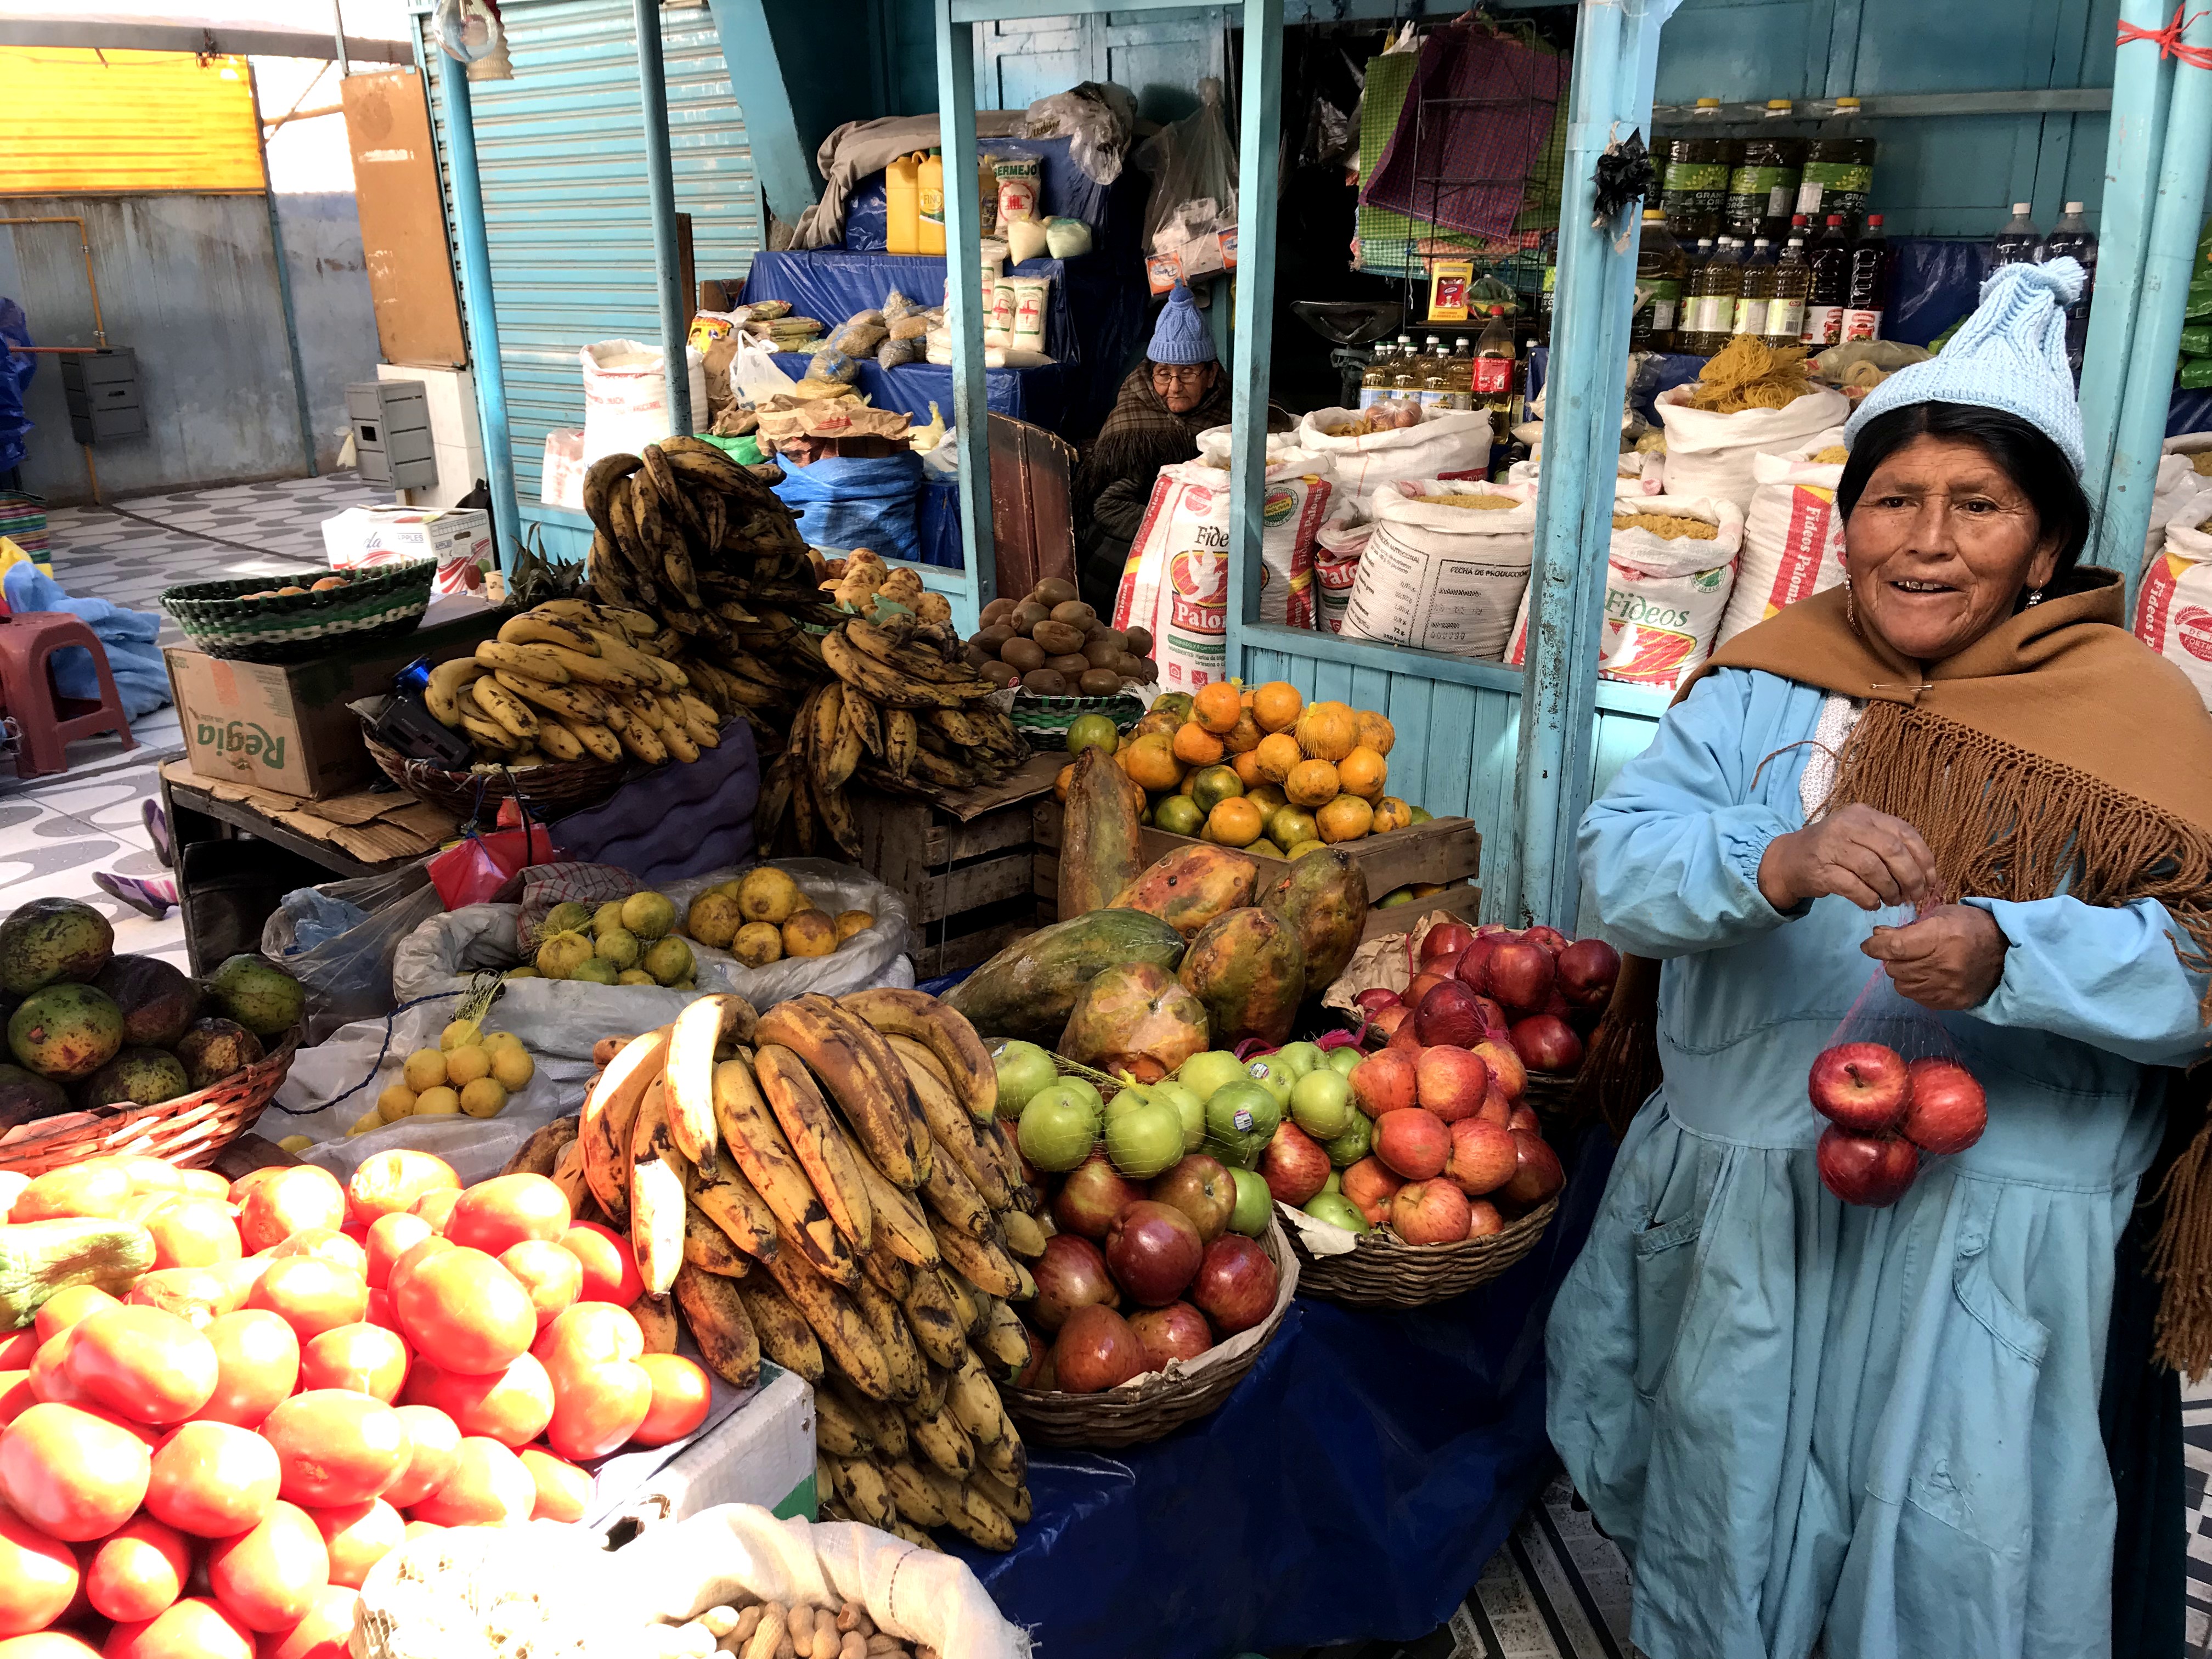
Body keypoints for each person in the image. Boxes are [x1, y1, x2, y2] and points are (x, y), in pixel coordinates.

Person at [1547, 257, 2212, 1659]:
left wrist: (2015, 953)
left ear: (2048, 547)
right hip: (1754, 1219)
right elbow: (1618, 868)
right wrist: (1772, 862)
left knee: (1952, 1568)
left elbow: (2203, 972)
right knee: (1726, 1532)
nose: (1928, 541)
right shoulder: (1761, 687)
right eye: (1894, 500)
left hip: (1994, 1252)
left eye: (1981, 506)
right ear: (1846, 526)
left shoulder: (2143, 722)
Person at [1073, 283, 1231, 611]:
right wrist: (1185, 530)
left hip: (1207, 549)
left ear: (1212, 374)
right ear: (1150, 372)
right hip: (1130, 547)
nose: (1174, 387)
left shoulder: (1231, 408)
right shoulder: (1134, 426)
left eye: (1188, 373)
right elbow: (1110, 507)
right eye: (1163, 374)